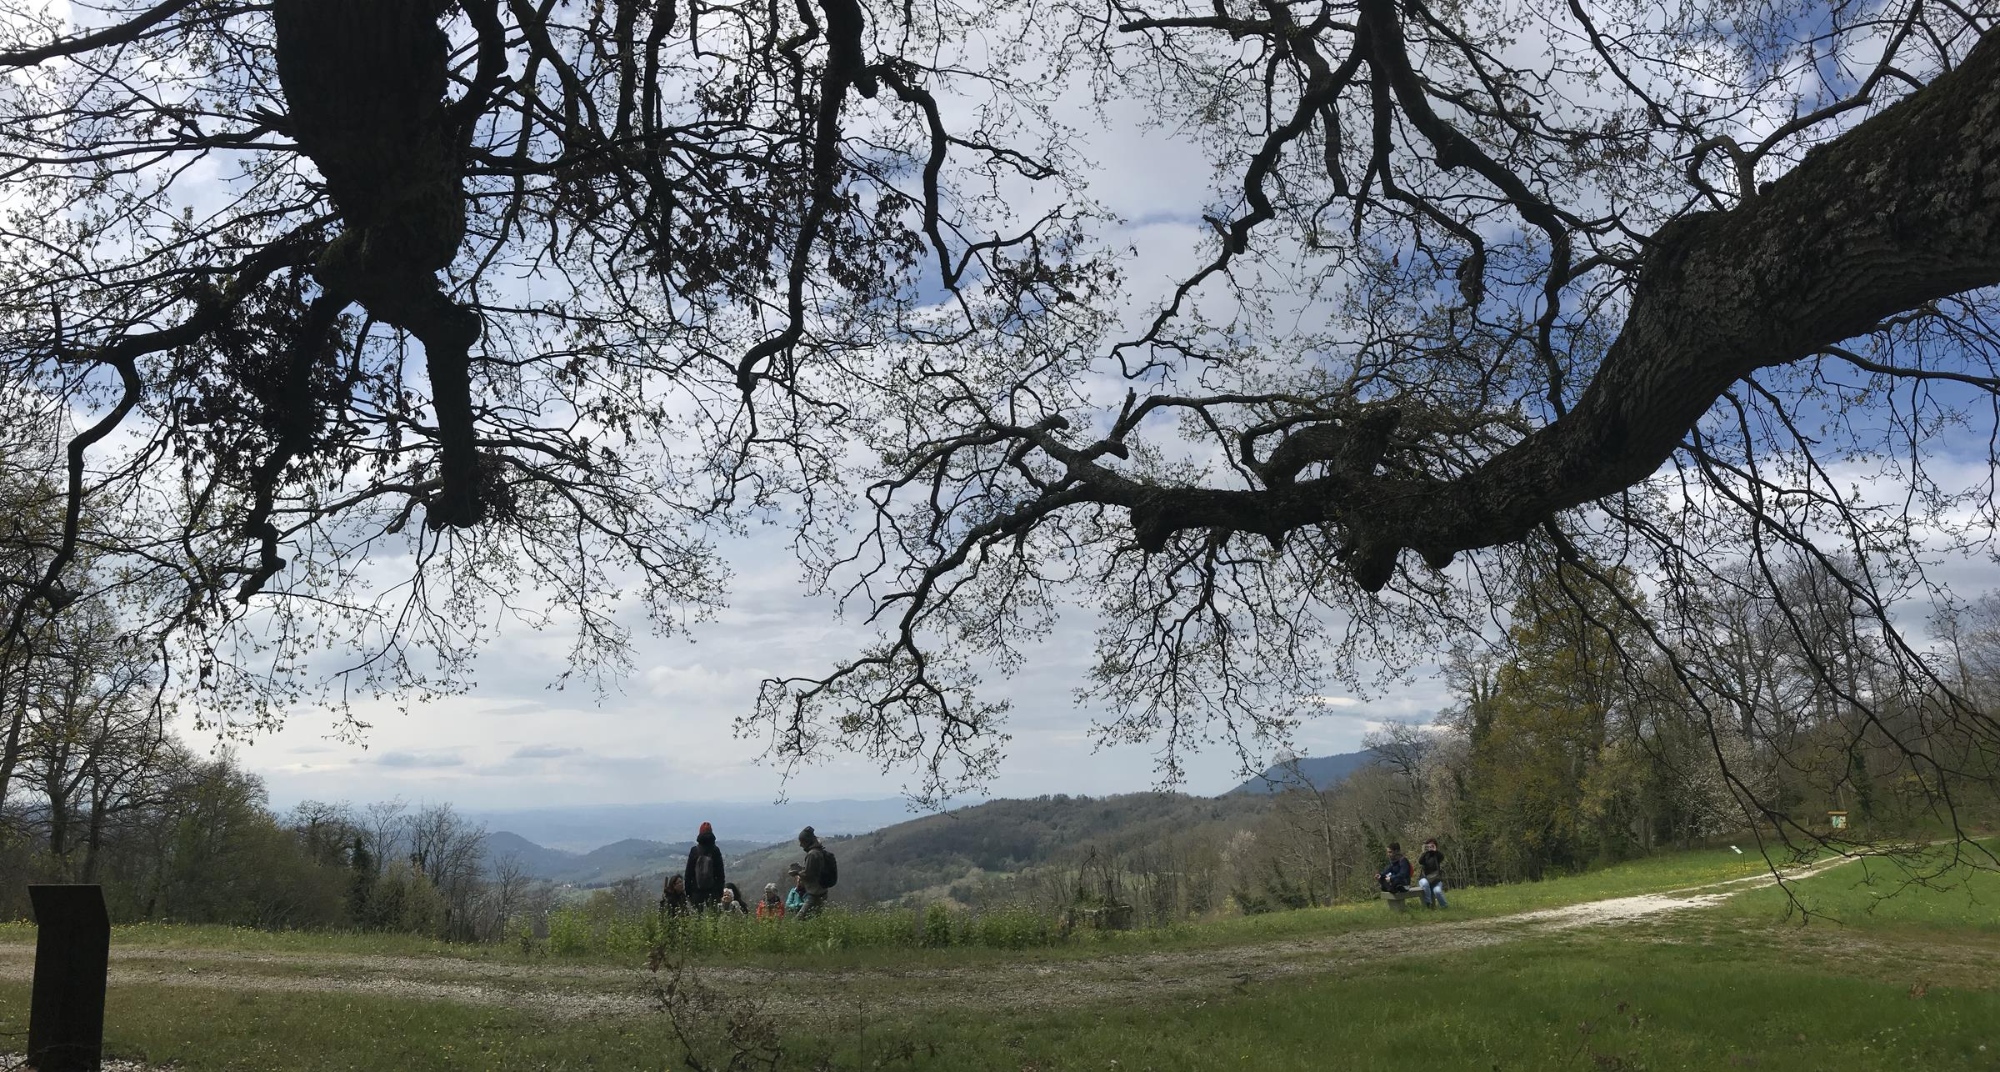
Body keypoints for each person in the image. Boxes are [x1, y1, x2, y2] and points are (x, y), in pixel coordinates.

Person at [684, 821, 726, 911]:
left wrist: (688, 892)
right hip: (713, 891)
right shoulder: (715, 850)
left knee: (697, 921)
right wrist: (719, 892)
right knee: (713, 920)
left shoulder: (695, 850)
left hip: (696, 891)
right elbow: (720, 874)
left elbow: (688, 873)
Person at [796, 826, 833, 919]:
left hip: (815, 894)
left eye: (802, 842)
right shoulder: (819, 851)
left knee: (799, 920)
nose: (800, 845)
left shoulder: (812, 854)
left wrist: (797, 873)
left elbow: (809, 874)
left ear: (807, 841)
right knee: (814, 919)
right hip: (822, 892)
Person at [1417, 838, 1448, 909]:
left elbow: (1442, 857)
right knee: (1425, 883)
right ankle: (1429, 904)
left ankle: (1445, 907)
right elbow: (1420, 861)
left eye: (1432, 845)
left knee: (1437, 891)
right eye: (1429, 845)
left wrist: (1435, 851)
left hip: (1436, 880)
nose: (1430, 847)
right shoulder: (1425, 854)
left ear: (1435, 846)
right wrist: (1424, 852)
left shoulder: (1437, 855)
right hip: (1424, 878)